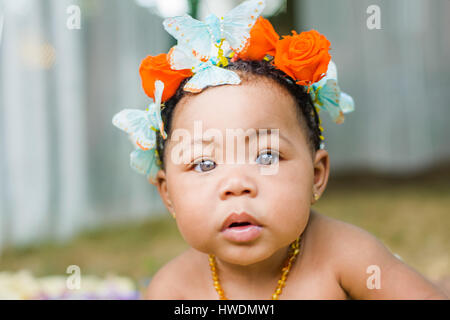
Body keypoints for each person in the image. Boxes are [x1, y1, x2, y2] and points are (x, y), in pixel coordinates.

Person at [112, 0, 447, 300]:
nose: (237, 184)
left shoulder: (349, 257)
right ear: (168, 194)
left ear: (316, 176)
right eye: (203, 163)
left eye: (266, 156)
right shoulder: (172, 289)